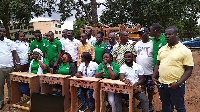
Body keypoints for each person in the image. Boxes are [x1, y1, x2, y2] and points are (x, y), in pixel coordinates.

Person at [152, 26, 194, 112]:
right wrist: (154, 76)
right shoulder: (162, 49)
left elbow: (189, 70)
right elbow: (158, 64)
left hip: (176, 85)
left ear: (176, 35)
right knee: (166, 106)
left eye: (170, 34)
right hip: (162, 84)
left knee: (179, 107)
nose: (167, 36)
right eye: (166, 34)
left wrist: (178, 83)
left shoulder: (184, 50)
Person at [134, 27, 154, 111]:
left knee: (150, 89)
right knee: (141, 89)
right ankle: (143, 101)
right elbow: (134, 55)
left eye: (142, 33)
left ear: (147, 33)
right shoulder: (137, 44)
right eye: (139, 34)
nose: (140, 35)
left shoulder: (152, 43)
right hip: (140, 73)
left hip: (149, 71)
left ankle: (149, 103)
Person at [0, 29, 21, 109]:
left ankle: (11, 99)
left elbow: (14, 53)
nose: (1, 33)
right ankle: (1, 101)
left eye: (3, 32)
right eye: (0, 31)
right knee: (0, 85)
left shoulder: (10, 42)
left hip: (10, 67)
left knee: (11, 85)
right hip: (0, 68)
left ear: (5, 33)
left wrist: (18, 63)